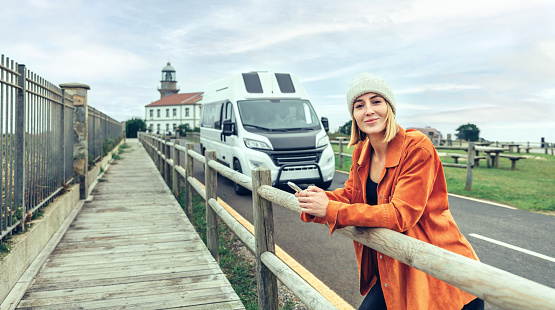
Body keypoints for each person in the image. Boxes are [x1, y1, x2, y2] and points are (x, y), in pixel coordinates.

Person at [295, 73, 484, 310]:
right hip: (398, 267)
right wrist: (317, 200)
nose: (368, 110)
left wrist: (331, 209)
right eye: (359, 105)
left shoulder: (417, 147)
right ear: (353, 115)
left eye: (376, 101)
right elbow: (351, 195)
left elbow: (400, 214)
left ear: (390, 107)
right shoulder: (362, 152)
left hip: (445, 273)